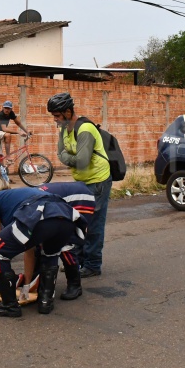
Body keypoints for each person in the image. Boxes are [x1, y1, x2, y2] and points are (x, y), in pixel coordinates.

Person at [0, 181, 90, 317]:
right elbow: (29, 249)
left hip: (40, 212)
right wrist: (26, 285)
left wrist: (0, 274)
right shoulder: (19, 195)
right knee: (50, 254)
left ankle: (9, 305)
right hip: (67, 215)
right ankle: (45, 302)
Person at [47, 92, 111, 278]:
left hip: (98, 181)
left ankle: (92, 264)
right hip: (81, 182)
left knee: (94, 224)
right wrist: (69, 157)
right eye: (53, 116)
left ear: (68, 112)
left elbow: (81, 161)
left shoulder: (86, 129)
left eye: (57, 116)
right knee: (79, 222)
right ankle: (79, 261)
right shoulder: (64, 129)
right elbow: (60, 153)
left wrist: (68, 157)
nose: (55, 120)